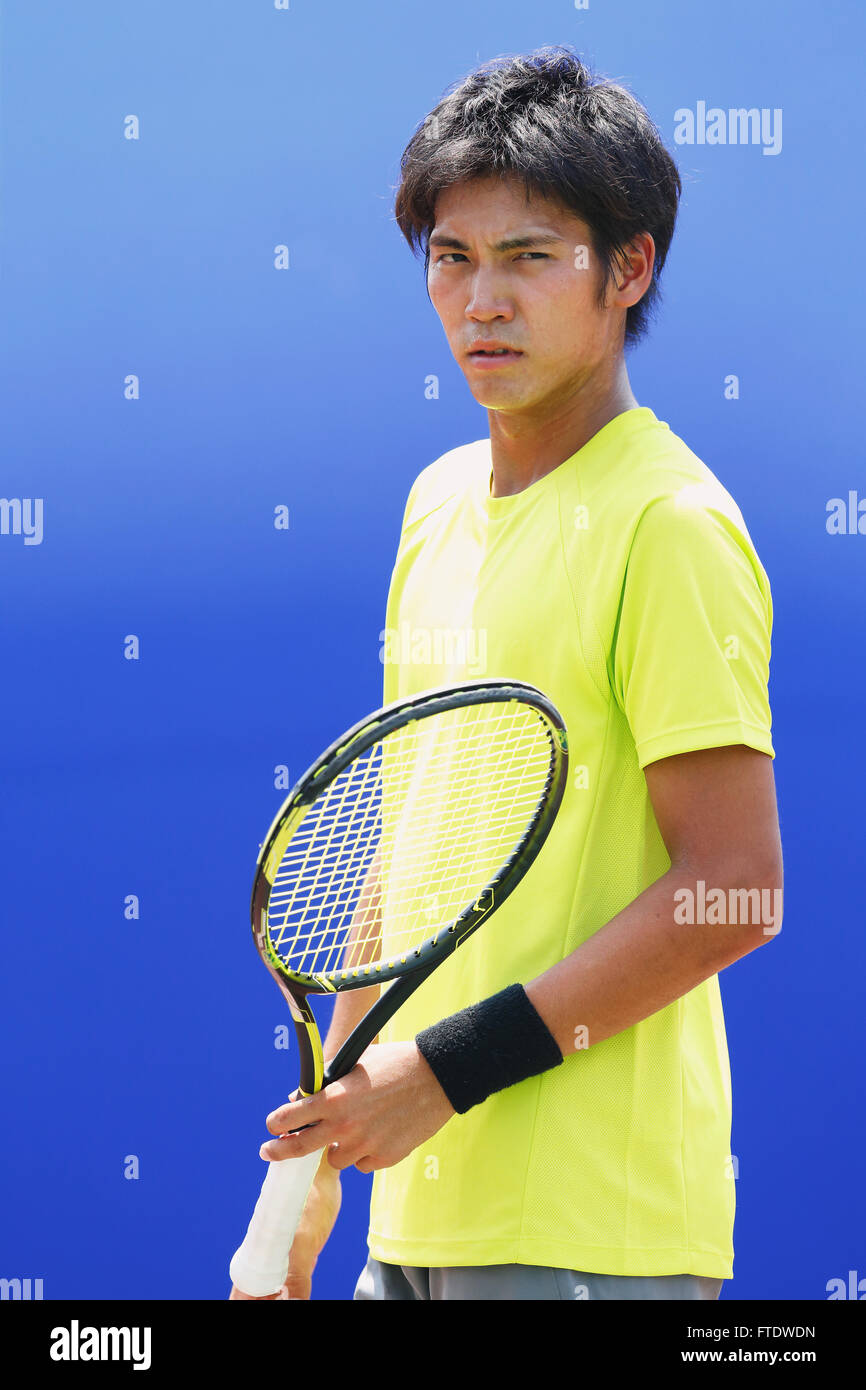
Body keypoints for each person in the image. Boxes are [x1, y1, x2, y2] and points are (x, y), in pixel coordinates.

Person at [239, 45, 783, 1302]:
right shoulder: (435, 504)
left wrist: (439, 1074)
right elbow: (413, 847)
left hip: (594, 1234)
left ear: (625, 268)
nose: (482, 299)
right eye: (451, 256)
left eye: (530, 257)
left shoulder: (670, 524)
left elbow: (737, 889)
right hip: (412, 1220)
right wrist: (315, 1169)